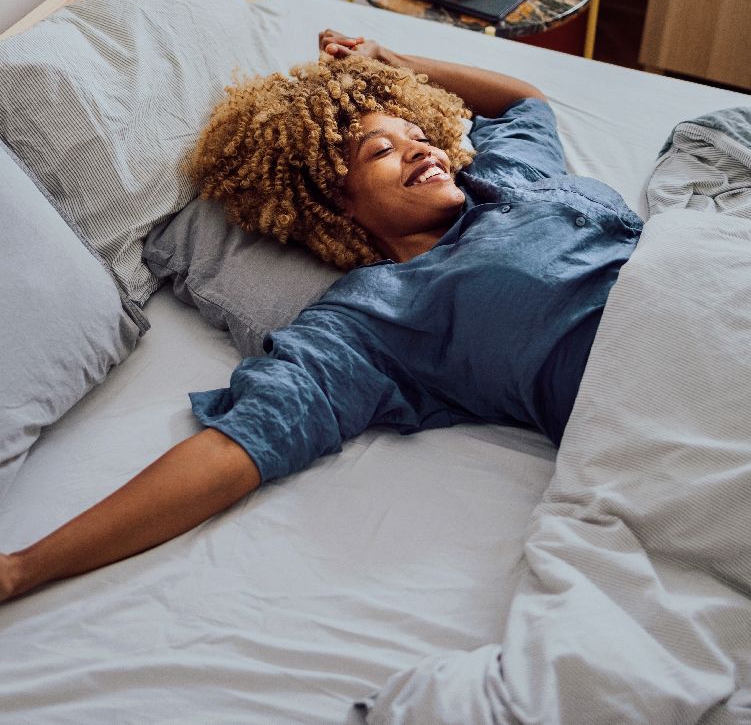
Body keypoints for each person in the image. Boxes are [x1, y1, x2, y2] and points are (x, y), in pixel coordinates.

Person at [0, 29, 643, 603]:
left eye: (420, 135)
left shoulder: (503, 170)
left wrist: (391, 60)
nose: (423, 150)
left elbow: (527, 104)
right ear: (332, 200)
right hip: (653, 380)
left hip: (708, 274)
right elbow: (239, 446)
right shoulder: (376, 320)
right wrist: (24, 568)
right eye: (380, 151)